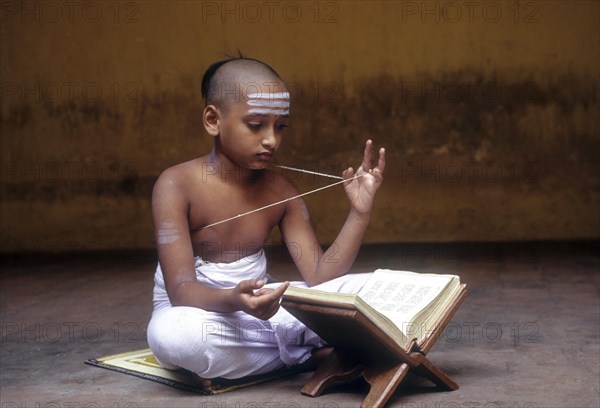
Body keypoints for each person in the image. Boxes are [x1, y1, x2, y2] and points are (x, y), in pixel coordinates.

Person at [146, 57, 385, 391]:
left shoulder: (282, 191)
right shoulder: (175, 185)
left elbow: (320, 275)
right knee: (176, 338)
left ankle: (288, 353)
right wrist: (235, 299)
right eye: (256, 125)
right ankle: (311, 354)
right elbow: (181, 289)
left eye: (280, 126)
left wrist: (359, 212)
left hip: (265, 310)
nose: (272, 140)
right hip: (200, 311)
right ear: (213, 120)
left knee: (376, 291)